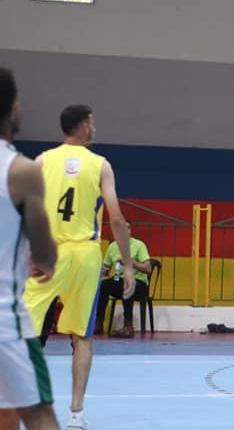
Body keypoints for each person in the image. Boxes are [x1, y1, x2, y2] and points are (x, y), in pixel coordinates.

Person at [23, 105, 134, 430]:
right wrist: (127, 264)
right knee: (81, 337)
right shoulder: (101, 165)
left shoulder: (42, 161)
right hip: (84, 255)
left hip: (48, 253)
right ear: (84, 126)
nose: (95, 128)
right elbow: (116, 218)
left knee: (24, 335)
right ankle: (76, 414)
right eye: (93, 122)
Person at [0, 68, 60, 430]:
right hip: (4, 322)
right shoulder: (21, 170)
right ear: (12, 107)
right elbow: (46, 255)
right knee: (39, 414)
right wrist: (41, 263)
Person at [95, 221, 152, 337]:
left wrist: (131, 262)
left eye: (128, 228)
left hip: (139, 283)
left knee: (127, 283)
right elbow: (106, 269)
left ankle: (128, 325)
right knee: (103, 285)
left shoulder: (139, 245)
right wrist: (102, 270)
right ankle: (98, 323)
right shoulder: (112, 247)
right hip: (119, 280)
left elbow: (148, 268)